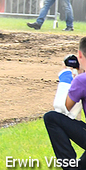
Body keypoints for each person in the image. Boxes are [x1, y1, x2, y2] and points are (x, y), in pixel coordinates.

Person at [44, 37, 86, 170]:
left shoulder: (82, 81)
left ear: (79, 54)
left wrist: (66, 76)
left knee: (51, 118)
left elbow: (62, 108)